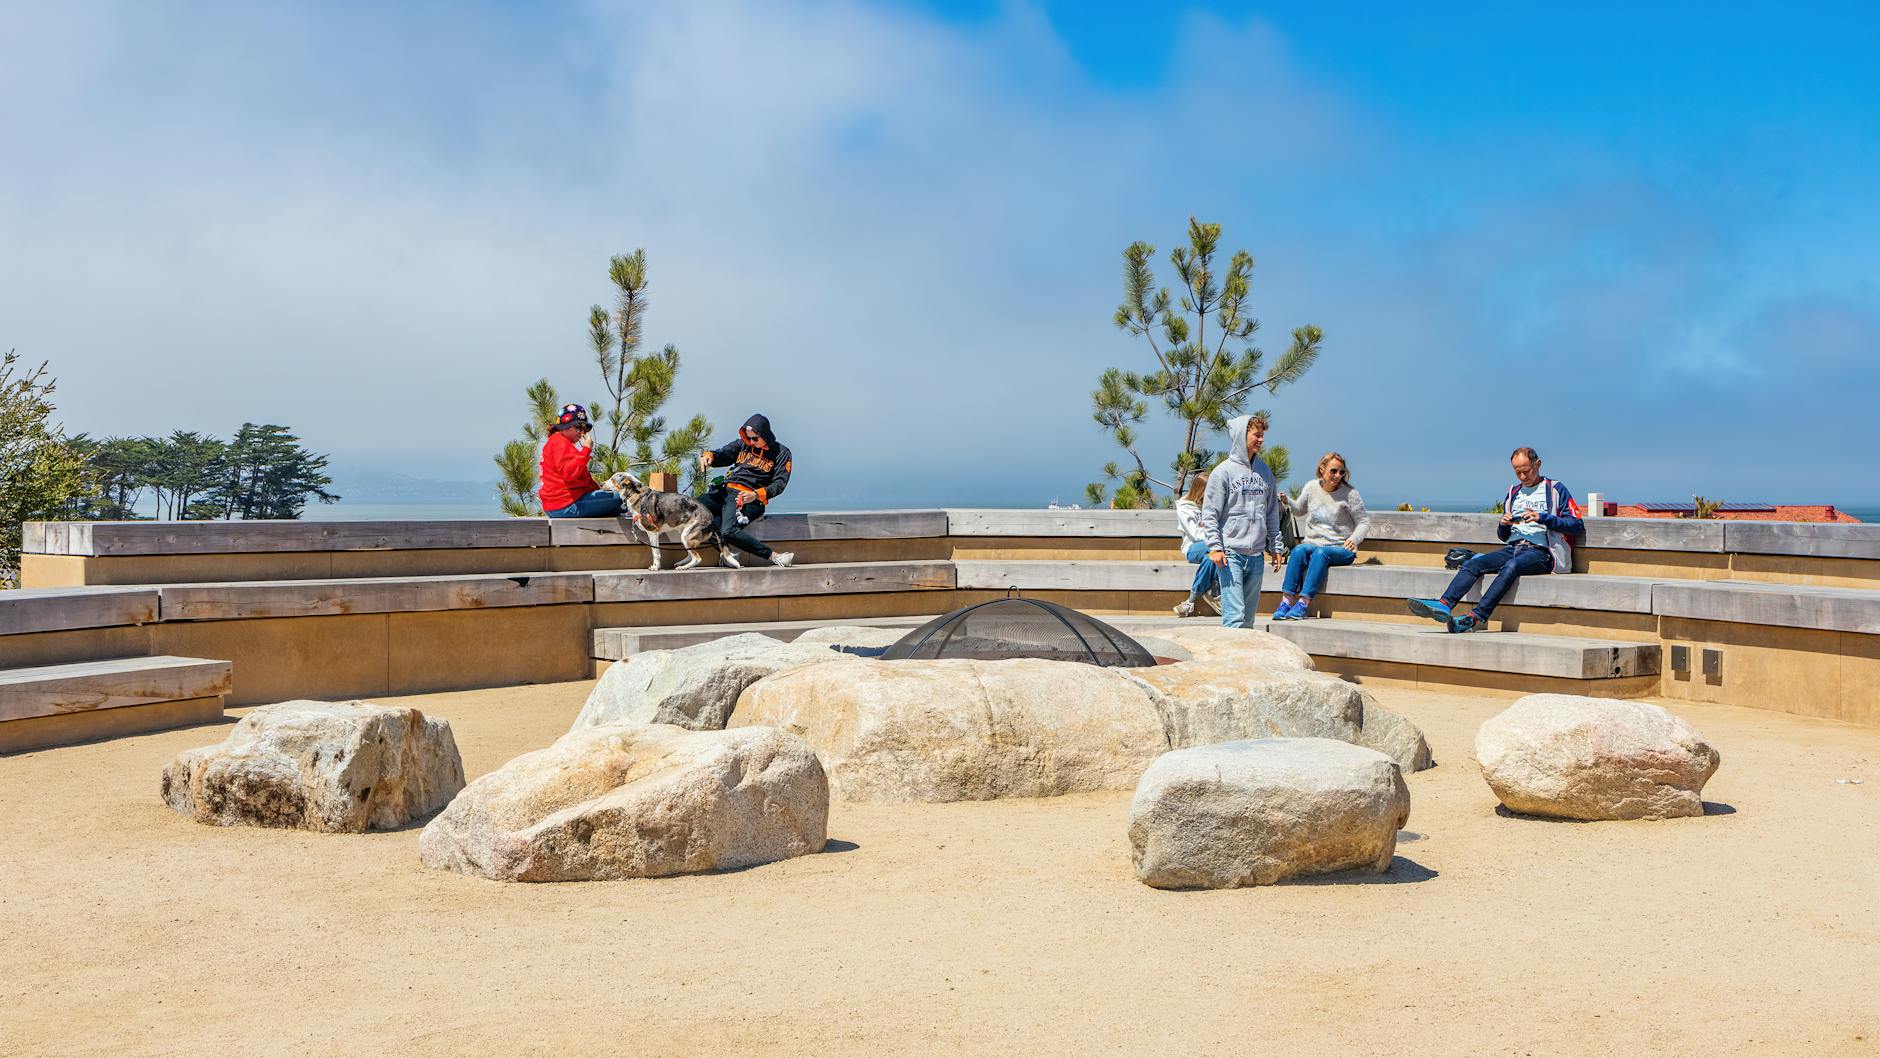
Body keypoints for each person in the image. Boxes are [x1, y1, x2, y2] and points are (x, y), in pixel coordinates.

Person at [1408, 446, 1583, 633]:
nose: (1523, 477)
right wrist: (1503, 524)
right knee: (1472, 564)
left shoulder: (1555, 489)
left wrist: (1543, 518)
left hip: (1541, 552)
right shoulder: (1514, 492)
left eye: (1527, 471)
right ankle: (1444, 604)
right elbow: (1504, 537)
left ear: (1538, 464)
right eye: (1518, 473)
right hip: (1513, 547)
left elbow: (1576, 525)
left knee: (1511, 567)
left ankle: (1474, 617)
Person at [1201, 413, 1285, 629]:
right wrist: (1215, 547)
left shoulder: (1265, 471)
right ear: (1241, 435)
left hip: (1256, 555)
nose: (1261, 440)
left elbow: (1272, 512)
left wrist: (1276, 547)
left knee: (1248, 620)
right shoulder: (1223, 472)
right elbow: (1210, 513)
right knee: (1235, 617)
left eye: (1263, 435)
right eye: (1257, 435)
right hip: (1230, 554)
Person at [1273, 452, 1370, 620]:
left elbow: (1364, 522)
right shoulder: (1311, 487)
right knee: (1298, 551)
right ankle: (1286, 602)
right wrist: (1288, 501)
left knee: (1321, 553)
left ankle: (1303, 604)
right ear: (1322, 469)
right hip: (1313, 544)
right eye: (1333, 471)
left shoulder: (1350, 494)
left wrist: (1353, 539)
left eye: (1341, 472)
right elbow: (1300, 510)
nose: (1338, 475)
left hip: (1340, 549)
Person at [697, 413, 795, 568]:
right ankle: (727, 554)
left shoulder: (782, 453)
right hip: (724, 491)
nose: (751, 442)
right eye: (748, 438)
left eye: (755, 438)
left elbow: (779, 484)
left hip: (748, 498)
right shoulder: (742, 445)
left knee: (727, 530)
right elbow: (722, 454)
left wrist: (755, 494)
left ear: (765, 435)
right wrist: (710, 457)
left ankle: (775, 556)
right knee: (692, 509)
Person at [538, 404, 622, 518]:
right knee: (621, 497)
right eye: (578, 427)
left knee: (616, 505)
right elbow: (568, 473)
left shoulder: (557, 442)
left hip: (558, 505)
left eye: (584, 429)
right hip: (567, 504)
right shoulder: (559, 443)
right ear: (566, 426)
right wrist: (586, 450)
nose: (581, 432)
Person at [1172, 470, 1220, 617]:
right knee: (1219, 548)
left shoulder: (1212, 506)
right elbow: (1196, 534)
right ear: (1201, 490)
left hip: (1210, 548)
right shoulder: (1185, 508)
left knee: (1211, 557)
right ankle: (1215, 593)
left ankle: (1191, 601)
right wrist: (1217, 538)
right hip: (1193, 548)